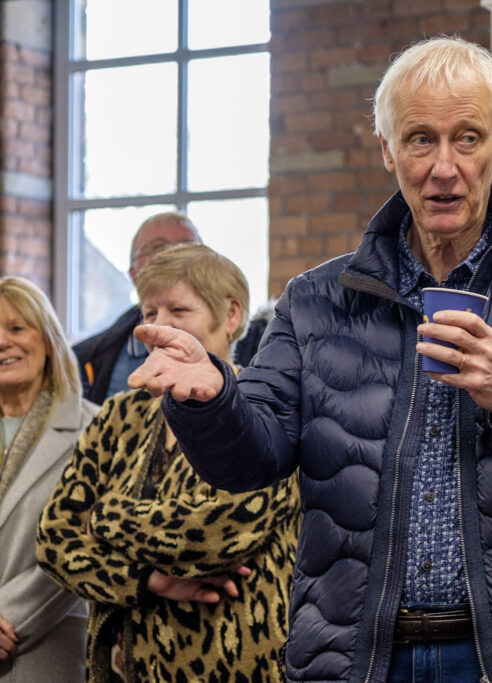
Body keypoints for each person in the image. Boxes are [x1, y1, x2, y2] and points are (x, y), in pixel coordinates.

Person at [127, 36, 492, 683]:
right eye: (420, 139)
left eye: (467, 138)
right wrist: (213, 397)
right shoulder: (317, 300)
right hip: (358, 659)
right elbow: (250, 460)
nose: (444, 166)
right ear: (388, 150)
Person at [37, 245, 300, 682]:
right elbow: (54, 541)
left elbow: (212, 536)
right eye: (149, 311)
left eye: (179, 309)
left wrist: (103, 518)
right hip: (129, 665)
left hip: (237, 662)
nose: (159, 326)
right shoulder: (119, 414)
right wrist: (149, 582)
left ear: (231, 315)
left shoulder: (266, 406)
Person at [0, 276, 97, 681]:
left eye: (17, 328)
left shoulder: (94, 427)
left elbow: (84, 539)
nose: (3, 342)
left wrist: (7, 617)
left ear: (49, 339)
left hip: (43, 647)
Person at [73, 211, 201, 404]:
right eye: (159, 248)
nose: (175, 256)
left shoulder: (250, 346)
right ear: (133, 274)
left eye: (188, 247)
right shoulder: (91, 358)